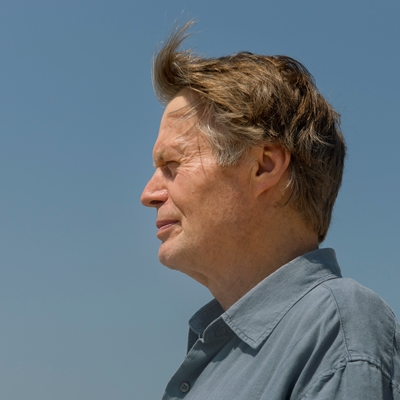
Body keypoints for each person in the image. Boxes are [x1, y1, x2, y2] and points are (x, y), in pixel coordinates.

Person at [141, 22, 400, 400]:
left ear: (263, 167)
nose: (149, 194)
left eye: (172, 165)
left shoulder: (335, 333)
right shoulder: (222, 355)